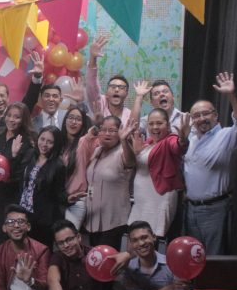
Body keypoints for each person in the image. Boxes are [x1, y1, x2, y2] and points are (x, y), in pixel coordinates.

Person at [183, 72, 237, 255]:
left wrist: (231, 95)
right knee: (194, 257)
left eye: (206, 113)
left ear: (216, 115)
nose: (201, 118)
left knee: (215, 259)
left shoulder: (226, 136)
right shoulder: (190, 139)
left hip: (215, 210)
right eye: (196, 115)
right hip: (191, 209)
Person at [127, 108, 191, 239]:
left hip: (160, 198)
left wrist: (183, 140)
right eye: (151, 123)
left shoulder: (170, 139)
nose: (155, 127)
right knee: (137, 236)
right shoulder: (147, 143)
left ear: (168, 125)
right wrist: (136, 153)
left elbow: (178, 147)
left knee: (156, 238)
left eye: (159, 123)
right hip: (141, 200)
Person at [83, 116, 138, 250]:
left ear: (120, 132)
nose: (107, 133)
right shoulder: (97, 151)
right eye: (104, 129)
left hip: (114, 221)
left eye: (112, 130)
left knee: (108, 260)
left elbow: (131, 161)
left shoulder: (123, 152)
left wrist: (124, 141)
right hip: (91, 218)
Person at [0, 102, 34, 243]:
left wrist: (13, 156)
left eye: (17, 117)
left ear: (23, 120)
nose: (11, 120)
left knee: (10, 231)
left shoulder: (28, 141)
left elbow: (18, 175)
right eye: (9, 115)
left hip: (12, 194)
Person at [19, 126, 67, 247]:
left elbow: (59, 194)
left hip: (43, 219)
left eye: (50, 142)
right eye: (42, 139)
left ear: (56, 145)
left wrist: (69, 199)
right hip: (24, 214)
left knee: (41, 251)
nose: (44, 144)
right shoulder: (30, 154)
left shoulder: (58, 165)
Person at [59, 105, 97, 230]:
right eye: (70, 117)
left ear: (83, 123)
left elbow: (92, 136)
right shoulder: (59, 144)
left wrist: (97, 124)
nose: (73, 122)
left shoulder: (84, 143)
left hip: (76, 201)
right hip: (58, 200)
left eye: (78, 119)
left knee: (69, 236)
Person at [86, 36, 131, 125]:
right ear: (106, 93)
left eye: (121, 87)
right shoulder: (100, 105)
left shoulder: (129, 115)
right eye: (113, 87)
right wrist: (93, 58)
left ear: (126, 94)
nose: (116, 90)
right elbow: (92, 87)